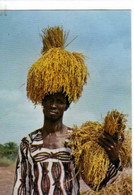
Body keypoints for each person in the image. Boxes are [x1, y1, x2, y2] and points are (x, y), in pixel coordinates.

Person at [13, 27, 122, 195]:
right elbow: (21, 186)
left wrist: (114, 159)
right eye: (50, 100)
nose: (54, 105)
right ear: (43, 102)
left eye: (60, 101)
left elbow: (97, 184)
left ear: (67, 105)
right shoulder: (28, 143)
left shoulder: (77, 141)